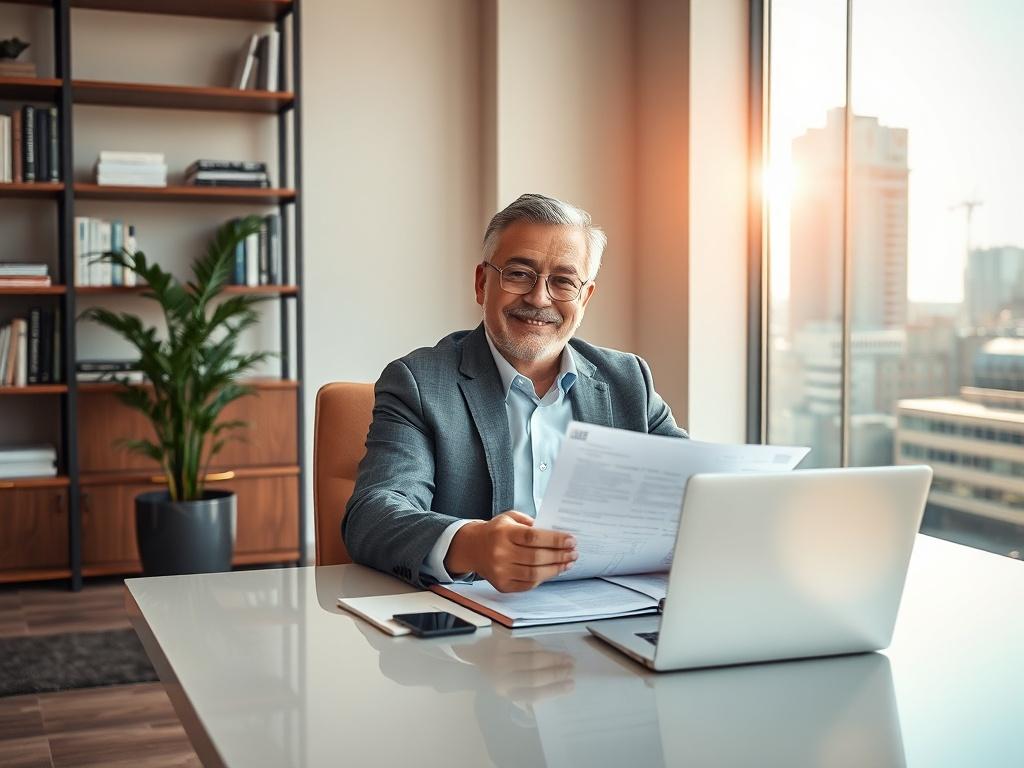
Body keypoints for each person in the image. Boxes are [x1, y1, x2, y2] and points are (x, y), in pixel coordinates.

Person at [343, 193, 687, 591]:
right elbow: (373, 514)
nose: (539, 298)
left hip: (609, 612)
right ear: (482, 282)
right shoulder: (419, 382)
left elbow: (694, 493)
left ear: (585, 297)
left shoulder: (628, 380)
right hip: (472, 632)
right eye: (519, 274)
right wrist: (471, 544)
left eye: (563, 281)